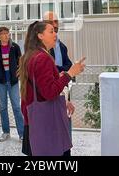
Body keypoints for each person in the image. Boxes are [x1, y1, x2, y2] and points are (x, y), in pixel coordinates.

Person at [19, 21, 85, 156]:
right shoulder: (43, 58)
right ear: (40, 36)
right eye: (51, 31)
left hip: (34, 120)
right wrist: (69, 73)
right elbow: (49, 92)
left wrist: (62, 96)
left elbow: (40, 88)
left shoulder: (31, 55)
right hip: (47, 125)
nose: (55, 34)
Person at [43, 11, 75, 141]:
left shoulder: (62, 46)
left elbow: (68, 65)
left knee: (66, 122)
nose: (54, 24)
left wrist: (64, 72)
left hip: (64, 87)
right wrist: (62, 72)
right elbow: (48, 69)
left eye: (56, 21)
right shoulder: (42, 48)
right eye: (51, 22)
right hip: (51, 92)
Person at [0, 26, 24, 142]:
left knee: (17, 108)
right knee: (3, 108)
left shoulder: (15, 47)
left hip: (13, 81)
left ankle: (22, 134)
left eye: (7, 33)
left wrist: (19, 71)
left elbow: (21, 62)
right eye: (3, 33)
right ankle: (6, 132)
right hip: (1, 82)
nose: (5, 35)